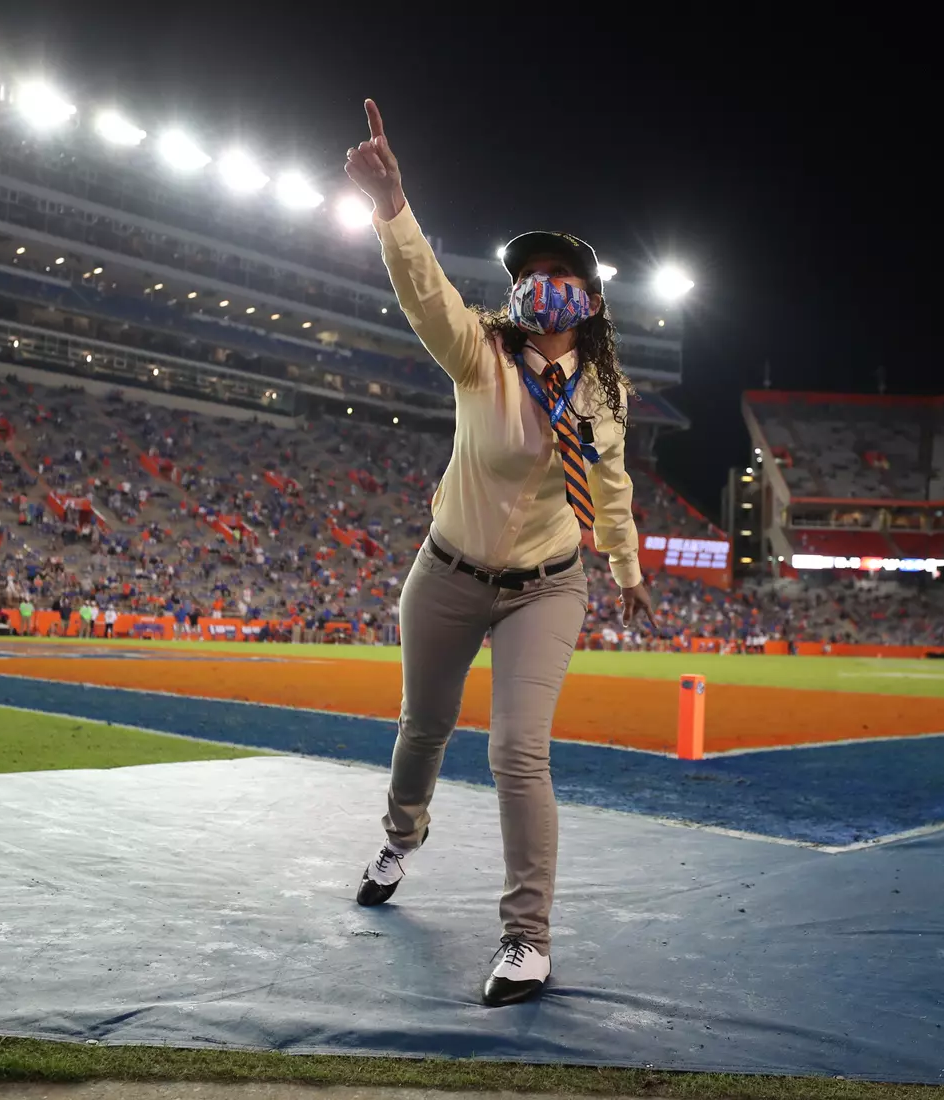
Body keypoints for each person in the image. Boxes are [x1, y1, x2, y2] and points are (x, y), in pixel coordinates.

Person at [344, 100, 654, 1007]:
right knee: (422, 731)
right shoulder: (481, 355)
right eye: (532, 273)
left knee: (519, 752)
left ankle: (527, 941)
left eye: (563, 274)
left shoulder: (603, 394)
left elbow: (611, 487)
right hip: (445, 573)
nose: (545, 284)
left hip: (547, 586)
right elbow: (424, 290)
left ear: (590, 301)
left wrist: (627, 572)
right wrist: (393, 205)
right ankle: (402, 838)